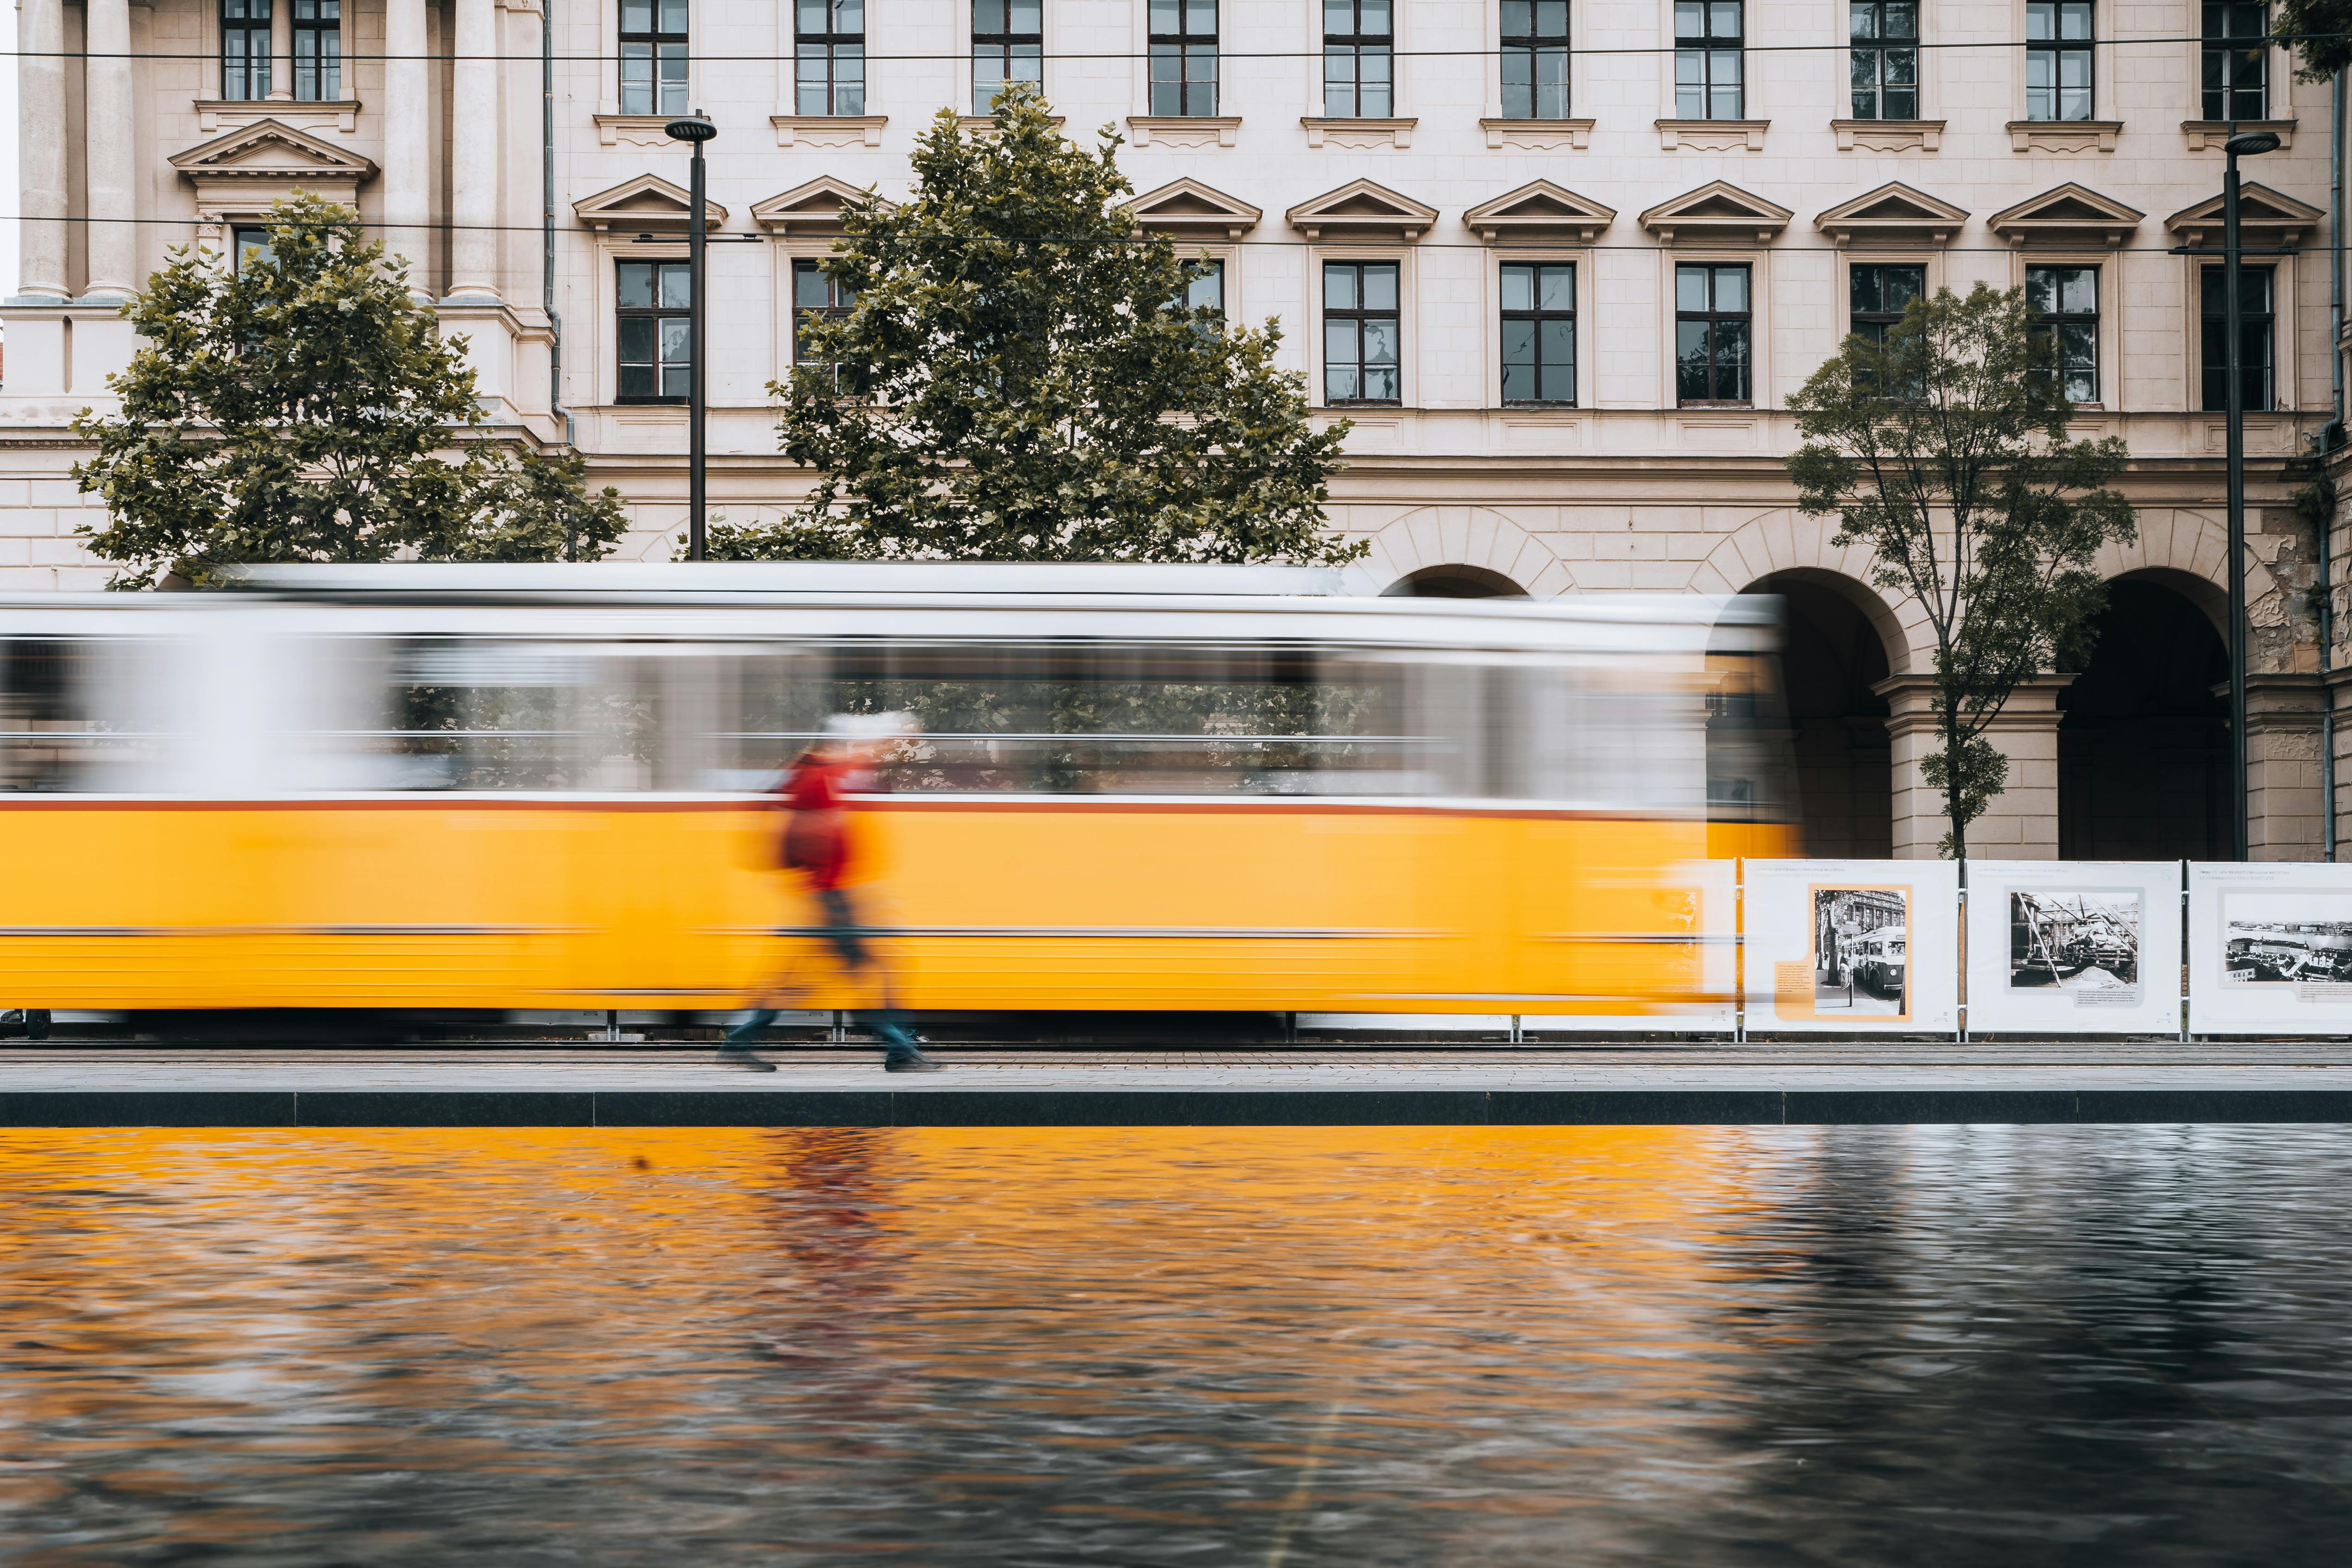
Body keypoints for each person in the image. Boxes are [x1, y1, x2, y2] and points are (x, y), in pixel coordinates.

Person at [724, 713, 939, 1073]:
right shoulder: (816, 774)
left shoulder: (811, 771)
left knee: (795, 978)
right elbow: (802, 812)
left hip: (825, 894)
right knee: (877, 967)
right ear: (832, 745)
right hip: (830, 896)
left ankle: (739, 1040)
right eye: (846, 745)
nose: (850, 752)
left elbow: (774, 803)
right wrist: (893, 733)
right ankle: (899, 1048)